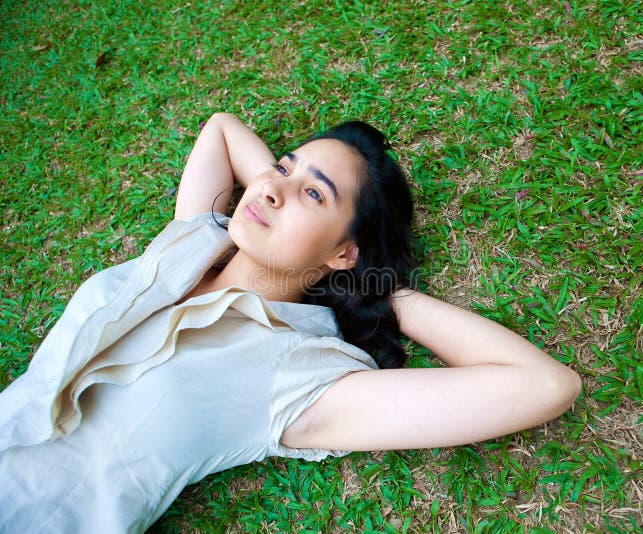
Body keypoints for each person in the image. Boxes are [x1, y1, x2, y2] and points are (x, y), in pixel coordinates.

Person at [0, 113, 581, 532]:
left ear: (344, 252)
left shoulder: (295, 374)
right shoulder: (191, 242)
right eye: (281, 166)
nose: (272, 187)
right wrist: (295, 196)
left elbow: (547, 384)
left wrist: (377, 291)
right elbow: (222, 129)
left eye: (313, 193)